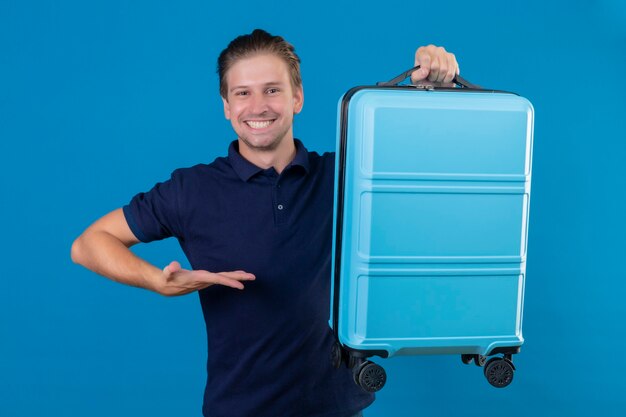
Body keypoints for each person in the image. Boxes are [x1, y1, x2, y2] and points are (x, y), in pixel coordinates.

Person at [71, 29, 460, 417]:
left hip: (338, 410)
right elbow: (89, 243)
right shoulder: (191, 189)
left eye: (272, 90)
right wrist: (156, 281)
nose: (258, 106)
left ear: (298, 97)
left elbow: (426, 165)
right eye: (243, 93)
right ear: (226, 105)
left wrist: (429, 89)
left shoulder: (344, 177)